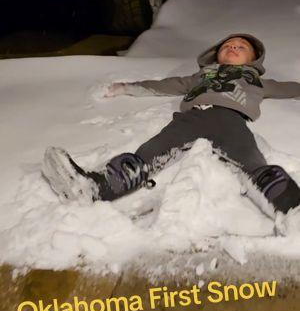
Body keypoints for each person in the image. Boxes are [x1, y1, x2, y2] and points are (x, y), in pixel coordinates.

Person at [42, 33, 300, 214]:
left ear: (254, 58)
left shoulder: (258, 82)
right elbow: (168, 85)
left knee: (255, 164)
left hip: (230, 120)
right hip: (191, 118)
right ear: (216, 55)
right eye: (227, 46)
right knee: (147, 155)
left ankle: (292, 208)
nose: (233, 47)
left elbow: (290, 89)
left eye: (241, 46)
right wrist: (129, 88)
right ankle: (94, 188)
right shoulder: (202, 76)